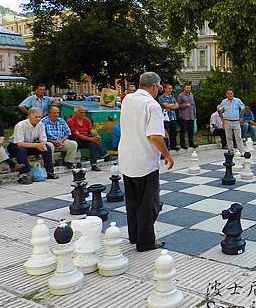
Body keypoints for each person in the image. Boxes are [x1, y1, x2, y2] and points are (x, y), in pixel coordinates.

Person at [119, 72, 174, 252]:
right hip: (144, 161)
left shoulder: (127, 99)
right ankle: (146, 242)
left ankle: (134, 235)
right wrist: (167, 154)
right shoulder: (152, 105)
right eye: (158, 87)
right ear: (154, 87)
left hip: (127, 158)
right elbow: (155, 136)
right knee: (149, 205)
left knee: (132, 202)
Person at [8, 107, 58, 184]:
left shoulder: (41, 125)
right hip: (15, 146)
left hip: (31, 145)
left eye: (40, 117)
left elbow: (43, 140)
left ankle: (49, 171)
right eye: (36, 117)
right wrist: (37, 145)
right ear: (29, 117)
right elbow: (19, 143)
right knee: (21, 149)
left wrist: (41, 145)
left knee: (47, 147)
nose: (38, 119)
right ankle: (24, 175)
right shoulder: (20, 125)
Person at [67, 106, 114, 171]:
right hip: (77, 140)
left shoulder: (86, 120)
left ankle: (94, 164)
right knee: (93, 141)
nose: (83, 114)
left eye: (84, 113)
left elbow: (92, 130)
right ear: (76, 113)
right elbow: (77, 135)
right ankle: (104, 155)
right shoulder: (71, 121)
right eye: (81, 113)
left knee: (93, 143)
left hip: (87, 138)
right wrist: (92, 139)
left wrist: (97, 135)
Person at [217, 88, 246, 153]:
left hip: (236, 121)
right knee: (228, 137)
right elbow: (219, 109)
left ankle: (242, 151)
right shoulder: (224, 101)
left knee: (238, 137)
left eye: (231, 93)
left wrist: (241, 117)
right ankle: (230, 151)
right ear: (226, 94)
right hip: (227, 121)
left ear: (233, 94)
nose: (230, 95)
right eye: (228, 93)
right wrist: (222, 118)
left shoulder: (237, 100)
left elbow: (243, 108)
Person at [158, 84, 180, 151]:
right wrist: (172, 106)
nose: (171, 90)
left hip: (173, 117)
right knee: (166, 133)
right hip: (166, 118)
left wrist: (171, 106)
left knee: (174, 132)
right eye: (169, 88)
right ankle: (166, 147)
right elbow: (165, 105)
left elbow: (177, 105)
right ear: (165, 89)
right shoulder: (162, 97)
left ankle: (173, 145)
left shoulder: (172, 97)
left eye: (171, 88)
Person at [177, 83, 197, 149]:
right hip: (183, 116)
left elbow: (193, 104)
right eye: (187, 88)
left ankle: (191, 143)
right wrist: (185, 105)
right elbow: (178, 105)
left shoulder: (191, 94)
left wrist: (194, 113)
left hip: (191, 115)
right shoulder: (180, 95)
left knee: (191, 130)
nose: (188, 89)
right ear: (184, 88)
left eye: (189, 88)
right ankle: (183, 144)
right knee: (183, 131)